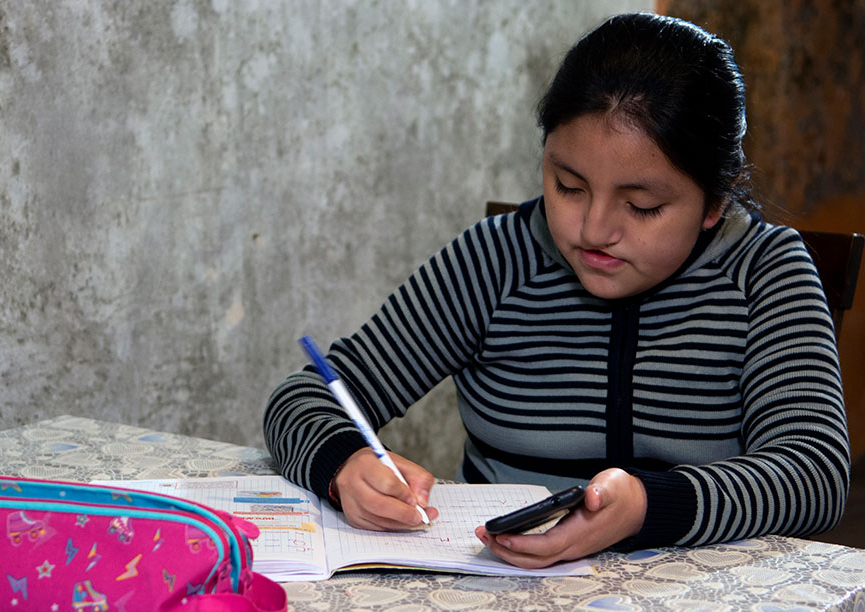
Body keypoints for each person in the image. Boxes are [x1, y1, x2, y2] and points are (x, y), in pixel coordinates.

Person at [262, 12, 850, 569]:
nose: (594, 230)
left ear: (714, 203)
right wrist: (343, 464)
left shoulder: (765, 272)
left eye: (642, 206)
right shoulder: (496, 260)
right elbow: (304, 398)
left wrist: (646, 506)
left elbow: (812, 474)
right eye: (568, 186)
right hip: (503, 603)